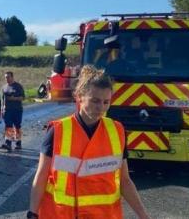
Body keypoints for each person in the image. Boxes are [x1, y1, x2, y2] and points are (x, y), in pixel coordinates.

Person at [27, 65, 151, 219]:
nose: (101, 108)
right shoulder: (58, 130)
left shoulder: (116, 131)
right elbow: (41, 177)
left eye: (106, 102)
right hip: (62, 214)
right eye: (95, 101)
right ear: (79, 96)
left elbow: (125, 181)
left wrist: (143, 215)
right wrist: (32, 213)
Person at [2, 71, 25, 152]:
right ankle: (8, 143)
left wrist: (14, 99)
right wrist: (2, 109)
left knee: (17, 126)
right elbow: (3, 99)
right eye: (5, 77)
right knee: (8, 126)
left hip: (17, 110)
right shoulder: (4, 87)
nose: (7, 79)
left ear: (12, 77)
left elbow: (22, 98)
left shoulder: (18, 86)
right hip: (7, 110)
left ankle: (18, 143)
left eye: (8, 77)